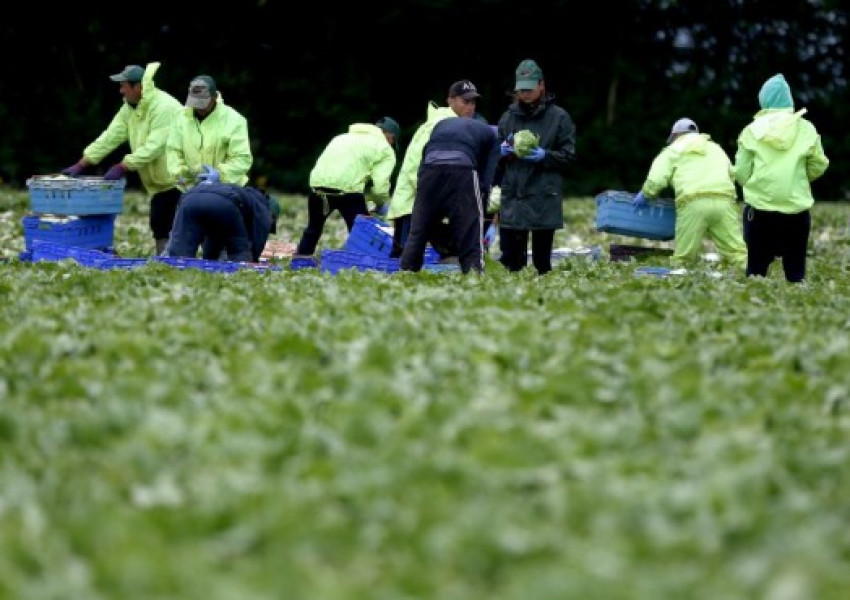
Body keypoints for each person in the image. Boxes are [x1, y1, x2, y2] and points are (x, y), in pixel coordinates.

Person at [61, 63, 183, 255]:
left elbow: (154, 146)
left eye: (123, 86)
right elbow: (111, 136)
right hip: (159, 183)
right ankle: (169, 265)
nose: (120, 91)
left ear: (138, 87)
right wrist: (83, 162)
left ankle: (200, 265)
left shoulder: (165, 107)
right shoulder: (129, 108)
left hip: (180, 179)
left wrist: (123, 166)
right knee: (160, 224)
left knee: (184, 226)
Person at [732, 73, 830, 282]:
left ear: (763, 100)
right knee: (795, 273)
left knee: (756, 272)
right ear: (789, 101)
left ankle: (754, 306)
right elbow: (819, 165)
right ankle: (798, 302)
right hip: (796, 212)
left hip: (759, 212)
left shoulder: (751, 131)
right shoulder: (806, 128)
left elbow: (740, 172)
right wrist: (799, 179)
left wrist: (755, 184)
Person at [386, 80, 494, 258]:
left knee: (432, 254)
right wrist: (430, 197)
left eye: (473, 102)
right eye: (465, 102)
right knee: (403, 259)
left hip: (429, 201)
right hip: (412, 204)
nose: (470, 107)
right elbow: (417, 166)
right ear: (450, 101)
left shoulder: (455, 125)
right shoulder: (439, 125)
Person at [496, 59, 576, 275]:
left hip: (544, 194)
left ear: (541, 85)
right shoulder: (508, 117)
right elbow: (494, 155)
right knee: (512, 263)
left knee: (542, 263)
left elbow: (568, 156)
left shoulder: (559, 117)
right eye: (521, 89)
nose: (525, 94)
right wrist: (499, 152)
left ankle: (543, 303)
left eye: (529, 89)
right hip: (514, 196)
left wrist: (545, 156)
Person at [633, 117, 747, 268]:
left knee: (683, 258)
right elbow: (732, 173)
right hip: (724, 202)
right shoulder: (716, 148)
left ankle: (679, 280)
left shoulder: (673, 150)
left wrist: (646, 194)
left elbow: (656, 179)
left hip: (693, 203)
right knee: (737, 253)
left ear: (676, 136)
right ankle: (753, 279)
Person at [399, 116, 499, 274]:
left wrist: (423, 188)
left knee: (419, 227)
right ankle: (473, 273)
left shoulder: (443, 124)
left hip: (429, 170)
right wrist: (482, 213)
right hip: (462, 168)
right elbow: (486, 180)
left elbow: (426, 152)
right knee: (470, 229)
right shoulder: (494, 138)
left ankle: (407, 271)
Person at [294, 117, 399, 257]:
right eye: (393, 141)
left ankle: (301, 260)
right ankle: (364, 263)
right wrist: (380, 205)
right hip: (349, 193)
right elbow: (380, 187)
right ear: (390, 136)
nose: (392, 145)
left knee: (313, 228)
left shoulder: (341, 137)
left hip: (318, 188)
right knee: (361, 232)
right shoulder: (385, 149)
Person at [166, 75, 253, 191]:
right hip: (190, 188)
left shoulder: (235, 120)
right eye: (195, 100)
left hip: (228, 189)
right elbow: (173, 151)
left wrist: (220, 175)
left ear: (215, 97)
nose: (198, 106)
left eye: (203, 101)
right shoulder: (180, 118)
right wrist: (182, 173)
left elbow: (242, 159)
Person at [166, 182, 280, 263]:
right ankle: (242, 276)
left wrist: (210, 258)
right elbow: (258, 238)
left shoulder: (245, 195)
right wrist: (252, 259)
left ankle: (174, 275)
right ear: (272, 214)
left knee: (179, 255)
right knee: (239, 252)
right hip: (225, 203)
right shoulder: (263, 206)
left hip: (189, 199)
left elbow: (214, 239)